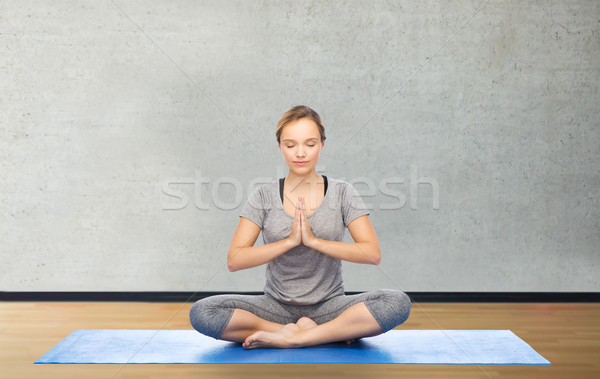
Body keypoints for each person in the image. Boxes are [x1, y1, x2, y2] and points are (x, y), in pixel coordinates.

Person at [189, 105, 411, 349]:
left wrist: (314, 241)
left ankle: (294, 338)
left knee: (396, 302)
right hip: (275, 307)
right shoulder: (263, 195)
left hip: (330, 306)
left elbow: (372, 253)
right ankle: (313, 333)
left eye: (310, 144)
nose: (300, 153)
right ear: (280, 147)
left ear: (322, 145)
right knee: (204, 312)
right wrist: (290, 241)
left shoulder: (343, 192)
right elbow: (235, 259)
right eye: (290, 145)